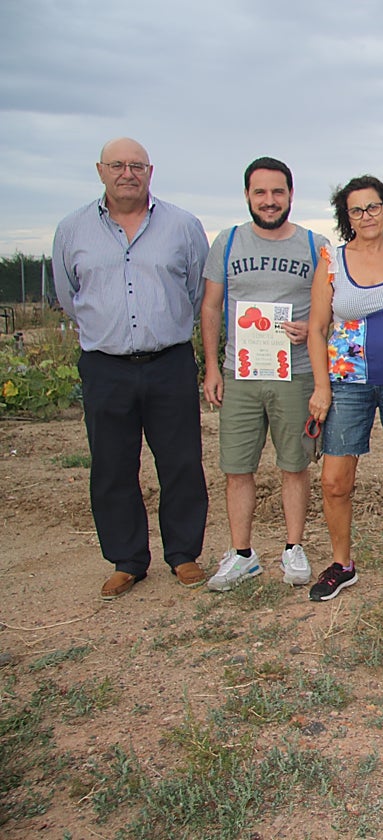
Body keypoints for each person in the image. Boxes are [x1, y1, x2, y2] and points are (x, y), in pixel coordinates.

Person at [52, 137, 210, 599]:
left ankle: (183, 554)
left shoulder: (182, 226)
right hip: (105, 366)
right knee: (112, 465)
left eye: (136, 166)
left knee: (181, 461)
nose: (128, 173)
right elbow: (69, 295)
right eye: (118, 165)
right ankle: (127, 560)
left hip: (169, 362)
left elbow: (196, 291)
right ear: (101, 171)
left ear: (150, 172)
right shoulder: (72, 229)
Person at [200, 157, 329, 592]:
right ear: (247, 196)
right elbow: (211, 306)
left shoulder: (315, 245)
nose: (269, 201)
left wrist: (309, 326)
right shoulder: (228, 242)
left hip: (295, 373)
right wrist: (213, 367)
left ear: (291, 195)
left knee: (294, 465)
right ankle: (242, 555)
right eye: (260, 193)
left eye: (278, 192)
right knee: (237, 467)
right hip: (240, 373)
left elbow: (329, 312)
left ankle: (293, 547)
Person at [305, 176, 383, 602]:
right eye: (357, 210)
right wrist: (321, 388)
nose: (366, 216)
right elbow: (318, 327)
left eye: (374, 207)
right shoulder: (331, 261)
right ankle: (343, 564)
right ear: (347, 217)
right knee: (334, 481)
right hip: (346, 384)